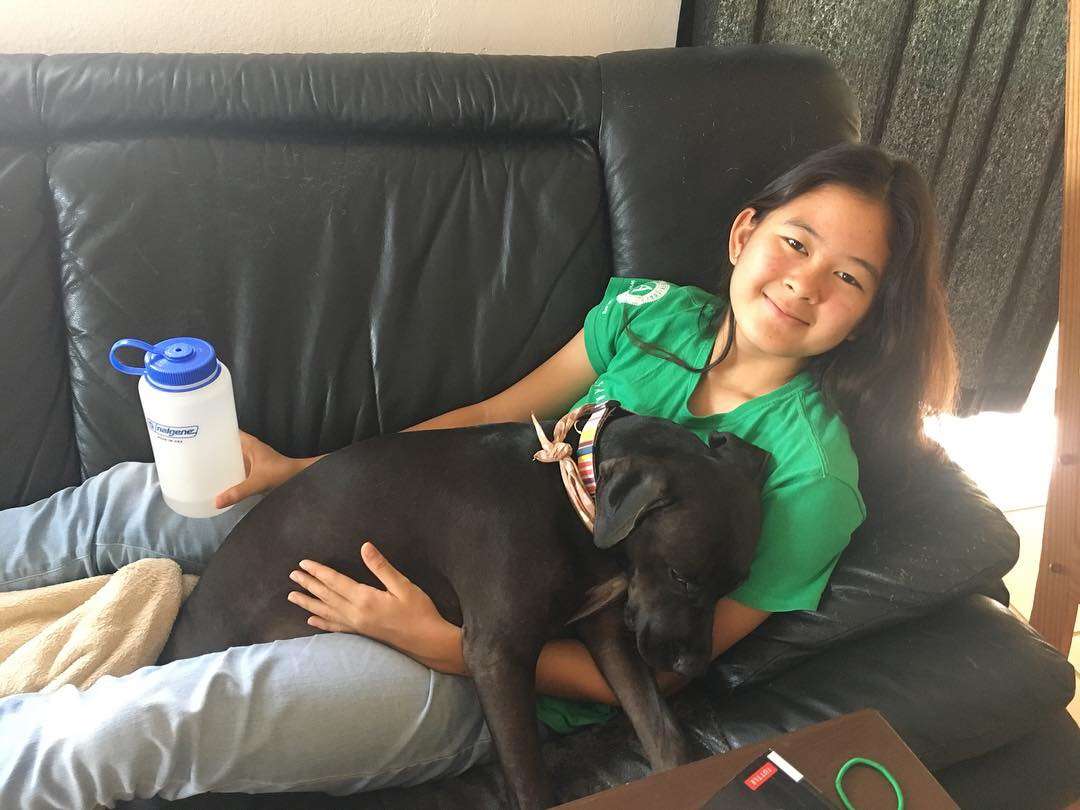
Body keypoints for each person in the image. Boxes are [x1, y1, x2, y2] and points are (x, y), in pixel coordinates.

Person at [0, 141, 958, 808]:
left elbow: (676, 663)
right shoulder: (652, 316)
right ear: (746, 232)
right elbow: (489, 422)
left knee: (141, 725)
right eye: (796, 240)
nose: (804, 282)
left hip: (481, 684)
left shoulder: (810, 477)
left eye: (850, 277)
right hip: (432, 546)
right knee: (142, 494)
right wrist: (302, 470)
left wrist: (441, 641)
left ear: (870, 315)